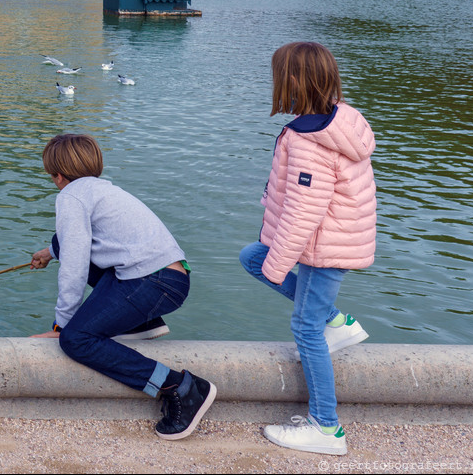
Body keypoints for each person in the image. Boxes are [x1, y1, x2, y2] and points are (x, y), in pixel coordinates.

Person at [29, 134, 216, 441]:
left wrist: (61, 325)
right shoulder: (102, 189)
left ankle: (180, 388)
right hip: (170, 277)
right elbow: (81, 243)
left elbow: (75, 266)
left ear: (57, 175)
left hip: (152, 283)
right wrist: (50, 252)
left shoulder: (70, 196)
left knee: (77, 340)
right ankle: (144, 322)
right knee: (70, 252)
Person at [239, 42, 376, 457]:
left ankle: (326, 427)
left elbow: (304, 212)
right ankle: (338, 322)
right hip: (339, 238)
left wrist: (280, 265)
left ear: (294, 81)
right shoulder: (341, 118)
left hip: (324, 247)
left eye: (279, 75)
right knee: (252, 257)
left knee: (305, 329)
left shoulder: (308, 139)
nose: (276, 83)